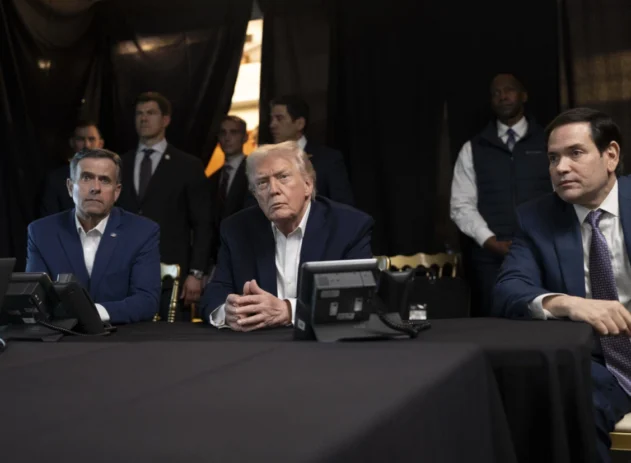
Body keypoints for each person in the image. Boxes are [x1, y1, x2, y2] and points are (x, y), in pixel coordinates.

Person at [494, 108, 630, 463]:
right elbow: (509, 288)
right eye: (553, 158)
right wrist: (567, 303)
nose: (561, 168)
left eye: (575, 153)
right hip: (599, 364)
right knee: (569, 400)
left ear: (611, 155)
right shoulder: (536, 218)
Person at [199, 141, 373, 331]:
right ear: (255, 195)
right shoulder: (236, 229)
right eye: (262, 183)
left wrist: (289, 310)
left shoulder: (349, 226)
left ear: (308, 184)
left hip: (321, 341)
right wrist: (227, 312)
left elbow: (359, 298)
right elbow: (215, 292)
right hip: (258, 341)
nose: (273, 190)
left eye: (283, 177)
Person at [450, 73, 551, 315]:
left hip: (544, 251)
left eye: (509, 90)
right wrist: (489, 241)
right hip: (490, 258)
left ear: (524, 95)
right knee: (494, 325)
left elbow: (564, 194)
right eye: (496, 93)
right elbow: (461, 204)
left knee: (545, 319)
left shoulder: (549, 142)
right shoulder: (473, 148)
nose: (503, 96)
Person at [26, 148, 161, 324]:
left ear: (116, 192)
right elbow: (34, 299)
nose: (95, 188)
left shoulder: (142, 232)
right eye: (86, 178)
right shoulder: (41, 232)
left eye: (104, 180)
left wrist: (94, 313)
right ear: (70, 187)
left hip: (122, 335)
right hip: (61, 336)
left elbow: (147, 302)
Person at [116, 91, 211, 307]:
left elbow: (203, 224)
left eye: (150, 113)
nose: (143, 118)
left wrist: (196, 273)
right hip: (124, 272)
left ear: (166, 120)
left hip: (172, 275)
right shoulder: (120, 163)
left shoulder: (188, 165)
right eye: (139, 113)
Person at [269, 95, 355, 205]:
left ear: (300, 124)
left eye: (279, 118)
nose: (272, 125)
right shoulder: (266, 159)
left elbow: (343, 205)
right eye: (272, 119)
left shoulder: (328, 159)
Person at [208, 115, 250, 270]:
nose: (227, 138)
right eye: (223, 133)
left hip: (246, 254)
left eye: (233, 132)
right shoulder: (212, 179)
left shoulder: (255, 172)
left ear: (245, 137)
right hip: (217, 258)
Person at [40, 120, 104, 217]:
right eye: (81, 139)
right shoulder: (55, 179)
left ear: (100, 144)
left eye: (91, 139)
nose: (86, 145)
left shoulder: (111, 178)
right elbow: (48, 219)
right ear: (72, 142)